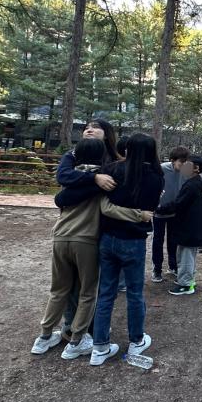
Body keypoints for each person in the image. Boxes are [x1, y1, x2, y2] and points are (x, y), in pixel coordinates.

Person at [33, 139, 151, 360]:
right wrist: (140, 215)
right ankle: (77, 341)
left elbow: (60, 199)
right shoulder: (104, 178)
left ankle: (44, 336)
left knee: (58, 290)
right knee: (88, 293)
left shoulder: (71, 175)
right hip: (85, 239)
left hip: (60, 236)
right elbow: (107, 208)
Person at [88, 133, 163, 366]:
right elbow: (150, 209)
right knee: (134, 292)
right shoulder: (156, 177)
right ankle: (136, 339)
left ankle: (99, 346)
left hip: (107, 237)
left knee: (106, 292)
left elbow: (102, 200)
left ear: (127, 149)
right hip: (133, 240)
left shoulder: (111, 170)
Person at [53, 119, 118, 340]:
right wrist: (94, 179)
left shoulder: (113, 160)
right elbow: (63, 177)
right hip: (74, 229)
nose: (88, 129)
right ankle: (71, 326)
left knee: (94, 285)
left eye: (95, 127)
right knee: (72, 285)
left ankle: (91, 326)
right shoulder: (73, 155)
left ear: (107, 134)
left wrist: (64, 197)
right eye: (86, 127)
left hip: (100, 230)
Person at [158, 155, 202, 295]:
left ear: (196, 169)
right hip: (192, 225)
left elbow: (178, 203)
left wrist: (159, 208)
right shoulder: (196, 181)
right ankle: (188, 280)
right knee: (187, 254)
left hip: (190, 226)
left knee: (185, 255)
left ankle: (186, 285)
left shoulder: (192, 184)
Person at [151, 146, 189, 282]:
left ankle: (173, 266)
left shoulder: (186, 171)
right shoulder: (162, 169)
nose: (183, 165)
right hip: (159, 210)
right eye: (181, 162)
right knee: (158, 240)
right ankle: (157, 269)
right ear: (173, 160)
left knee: (173, 241)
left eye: (186, 162)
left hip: (175, 211)